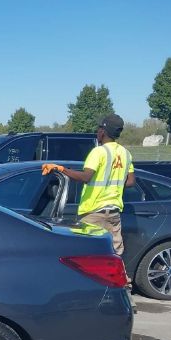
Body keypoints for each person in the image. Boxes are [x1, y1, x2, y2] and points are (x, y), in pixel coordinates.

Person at [42, 114, 135, 305]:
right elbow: (131, 181)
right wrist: (112, 187)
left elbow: (85, 177)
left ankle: (85, 295)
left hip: (93, 211)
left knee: (87, 255)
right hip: (114, 212)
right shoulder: (125, 154)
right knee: (115, 254)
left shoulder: (98, 153)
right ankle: (123, 295)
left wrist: (60, 169)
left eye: (98, 129)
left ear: (103, 131)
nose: (97, 133)